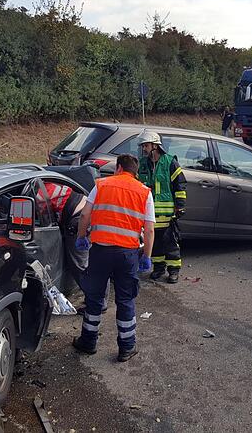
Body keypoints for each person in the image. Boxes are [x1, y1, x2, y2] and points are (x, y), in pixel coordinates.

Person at [72, 154, 155, 362]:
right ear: (135, 173)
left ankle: (88, 342)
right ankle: (126, 347)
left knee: (94, 297)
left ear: (118, 168)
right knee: (125, 299)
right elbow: (150, 229)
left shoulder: (101, 185)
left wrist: (82, 237)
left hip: (100, 251)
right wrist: (146, 256)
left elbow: (84, 215)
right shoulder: (144, 192)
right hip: (127, 255)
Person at [136, 130, 187, 283]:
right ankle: (158, 268)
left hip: (167, 212)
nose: (144, 149)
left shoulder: (170, 162)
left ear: (155, 146)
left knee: (170, 242)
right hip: (149, 213)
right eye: (143, 146)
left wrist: (180, 206)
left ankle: (173, 270)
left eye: (146, 145)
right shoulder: (142, 164)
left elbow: (180, 185)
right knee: (155, 243)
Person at [39, 181, 89, 288]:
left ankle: (95, 300)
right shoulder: (50, 183)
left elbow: (41, 218)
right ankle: (98, 298)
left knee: (79, 264)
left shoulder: (39, 195)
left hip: (78, 219)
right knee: (89, 262)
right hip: (87, 209)